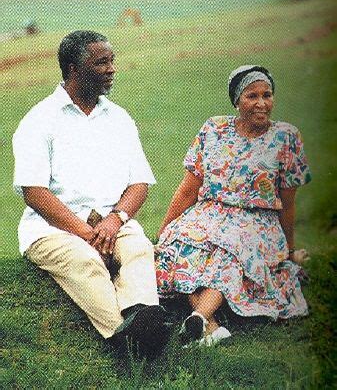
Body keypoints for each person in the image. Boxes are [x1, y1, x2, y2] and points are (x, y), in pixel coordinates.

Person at [13, 30, 171, 359]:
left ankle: (141, 318)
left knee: (140, 248)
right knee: (87, 262)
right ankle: (127, 338)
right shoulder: (39, 121)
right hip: (52, 230)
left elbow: (139, 182)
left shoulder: (119, 118)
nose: (112, 68)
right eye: (102, 62)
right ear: (74, 69)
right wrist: (86, 234)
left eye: (112, 61)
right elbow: (34, 192)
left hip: (111, 224)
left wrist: (115, 221)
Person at [155, 65, 312, 346]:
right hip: (209, 212)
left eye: (268, 94)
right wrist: (166, 229)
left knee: (229, 252)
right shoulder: (213, 129)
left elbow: (288, 203)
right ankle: (208, 325)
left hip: (257, 221)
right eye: (252, 96)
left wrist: (288, 250)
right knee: (175, 243)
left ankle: (199, 316)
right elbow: (189, 187)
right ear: (237, 100)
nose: (262, 103)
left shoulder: (286, 137)